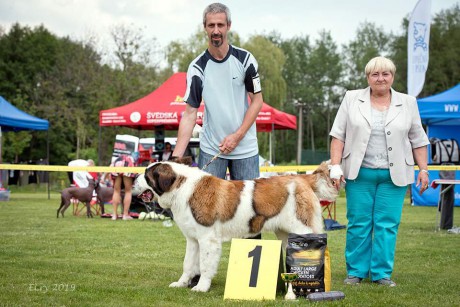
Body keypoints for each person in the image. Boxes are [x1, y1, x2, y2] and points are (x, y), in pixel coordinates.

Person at [171, 2, 264, 287]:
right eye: (210, 25)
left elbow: (257, 101)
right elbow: (189, 112)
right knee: (201, 215)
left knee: (251, 212)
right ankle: (195, 274)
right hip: (211, 149)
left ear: (229, 27)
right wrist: (177, 155)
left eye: (220, 25)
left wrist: (237, 135)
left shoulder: (246, 59)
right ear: (205, 29)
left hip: (245, 147)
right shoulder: (197, 67)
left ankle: (253, 276)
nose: (216, 31)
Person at [329, 56, 430, 287]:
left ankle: (382, 273)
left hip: (393, 176)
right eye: (375, 74)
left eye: (385, 74)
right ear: (368, 78)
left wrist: (423, 169)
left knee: (387, 224)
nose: (380, 78)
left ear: (392, 77)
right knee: (358, 223)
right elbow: (338, 135)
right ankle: (355, 271)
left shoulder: (408, 102)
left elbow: (418, 139)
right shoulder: (351, 98)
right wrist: (335, 166)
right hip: (359, 173)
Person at [110, 154, 136, 221]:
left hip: (117, 163)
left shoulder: (117, 158)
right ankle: (125, 215)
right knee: (128, 191)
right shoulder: (130, 158)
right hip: (127, 164)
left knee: (116, 191)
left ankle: (114, 215)